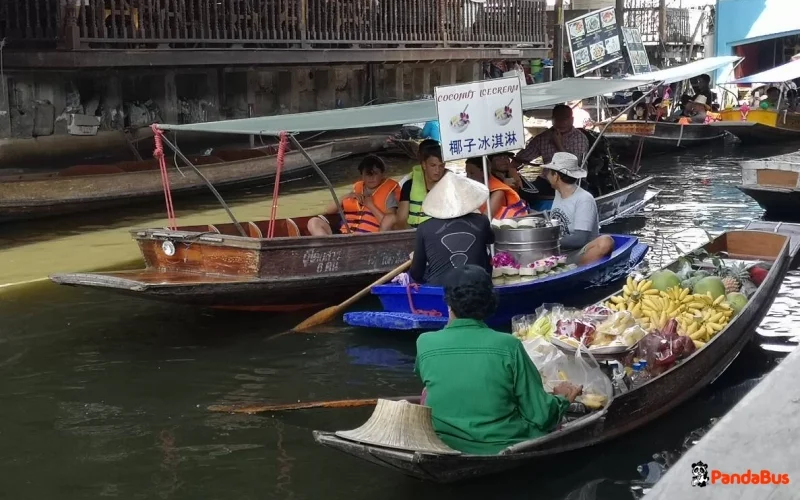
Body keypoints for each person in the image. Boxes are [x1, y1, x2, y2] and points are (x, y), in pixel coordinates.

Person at [415, 265, 582, 455]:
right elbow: (541, 415)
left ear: (448, 303)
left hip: (444, 441)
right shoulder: (509, 345)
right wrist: (562, 398)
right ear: (490, 303)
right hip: (500, 443)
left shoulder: (425, 342)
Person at [409, 174, 495, 285]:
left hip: (439, 286)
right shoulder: (481, 220)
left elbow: (416, 273)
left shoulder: (424, 227)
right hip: (477, 283)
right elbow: (491, 239)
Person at [544, 152, 615, 266]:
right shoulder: (558, 192)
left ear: (556, 176)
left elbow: (580, 239)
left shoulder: (584, 199)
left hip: (576, 254)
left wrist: (545, 241)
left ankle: (574, 269)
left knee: (606, 241)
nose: (546, 175)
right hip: (555, 252)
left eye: (549, 172)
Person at [307, 155, 400, 235]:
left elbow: (390, 223)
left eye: (375, 173)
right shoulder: (357, 190)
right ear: (362, 175)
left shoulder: (389, 194)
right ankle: (330, 250)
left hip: (368, 237)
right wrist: (347, 196)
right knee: (313, 222)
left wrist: (371, 206)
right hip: (344, 234)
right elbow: (329, 210)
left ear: (382, 174)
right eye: (368, 174)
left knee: (389, 218)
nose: (371, 178)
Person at [512, 104, 590, 198]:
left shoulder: (579, 138)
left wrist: (559, 144)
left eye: (564, 119)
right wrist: (511, 170)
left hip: (573, 181)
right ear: (553, 120)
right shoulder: (544, 137)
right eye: (558, 120)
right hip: (548, 181)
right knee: (525, 193)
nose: (561, 123)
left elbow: (573, 165)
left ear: (571, 120)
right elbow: (522, 157)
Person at [396, 143, 448, 229]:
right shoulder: (408, 185)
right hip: (414, 232)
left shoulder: (449, 186)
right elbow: (402, 220)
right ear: (424, 165)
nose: (437, 170)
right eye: (433, 165)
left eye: (441, 166)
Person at [464, 157, 529, 219]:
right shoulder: (477, 188)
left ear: (483, 172)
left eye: (471, 173)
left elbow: (486, 218)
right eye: (467, 173)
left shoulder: (498, 192)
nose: (468, 177)